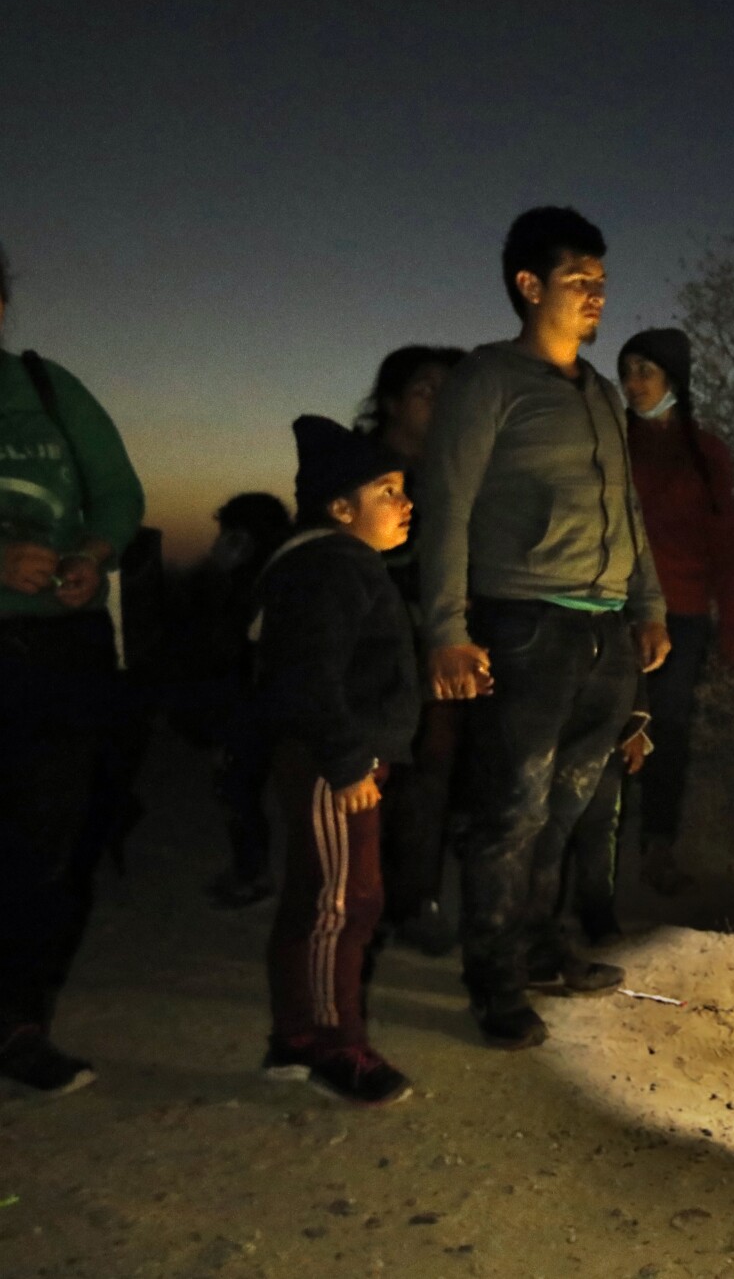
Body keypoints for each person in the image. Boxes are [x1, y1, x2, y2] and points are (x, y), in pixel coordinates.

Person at [419, 206, 670, 1050]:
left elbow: (626, 504)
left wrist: (649, 603)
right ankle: (492, 977)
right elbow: (447, 505)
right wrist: (447, 629)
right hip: (526, 623)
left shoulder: (599, 393)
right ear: (529, 286)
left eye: (601, 280)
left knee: (565, 809)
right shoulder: (488, 381)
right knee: (511, 809)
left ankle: (537, 946)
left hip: (603, 631)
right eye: (578, 280)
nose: (596, 295)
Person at [0, 241, 146, 1095]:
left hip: (59, 652)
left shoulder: (44, 385)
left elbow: (118, 493)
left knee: (51, 843)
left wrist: (92, 552)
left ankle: (20, 1019)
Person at [254, 416, 420, 1106]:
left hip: (328, 756)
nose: (405, 503)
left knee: (316, 893)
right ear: (340, 506)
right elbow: (310, 673)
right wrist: (351, 761)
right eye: (387, 490)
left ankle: (295, 1034)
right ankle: (335, 1045)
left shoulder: (330, 563)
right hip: (334, 764)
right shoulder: (332, 563)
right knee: (345, 903)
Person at [616, 327, 734, 900]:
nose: (633, 383)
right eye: (627, 371)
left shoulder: (704, 449)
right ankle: (591, 851)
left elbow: (724, 538)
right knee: (606, 726)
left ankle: (657, 847)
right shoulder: (612, 441)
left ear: (674, 378)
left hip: (684, 613)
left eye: (646, 370)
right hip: (613, 607)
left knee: (669, 730)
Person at [358, 345, 467, 956]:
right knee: (374, 775)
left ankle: (416, 899)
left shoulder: (456, 475)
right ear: (392, 402)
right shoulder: (356, 473)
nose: (440, 404)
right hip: (374, 652)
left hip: (438, 648)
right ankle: (363, 903)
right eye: (427, 391)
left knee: (434, 773)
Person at [194, 491, 295, 909]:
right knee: (244, 790)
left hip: (256, 703)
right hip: (261, 700)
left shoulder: (268, 576)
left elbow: (225, 641)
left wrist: (216, 575)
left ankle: (254, 876)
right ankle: (254, 872)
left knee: (240, 789)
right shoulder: (273, 570)